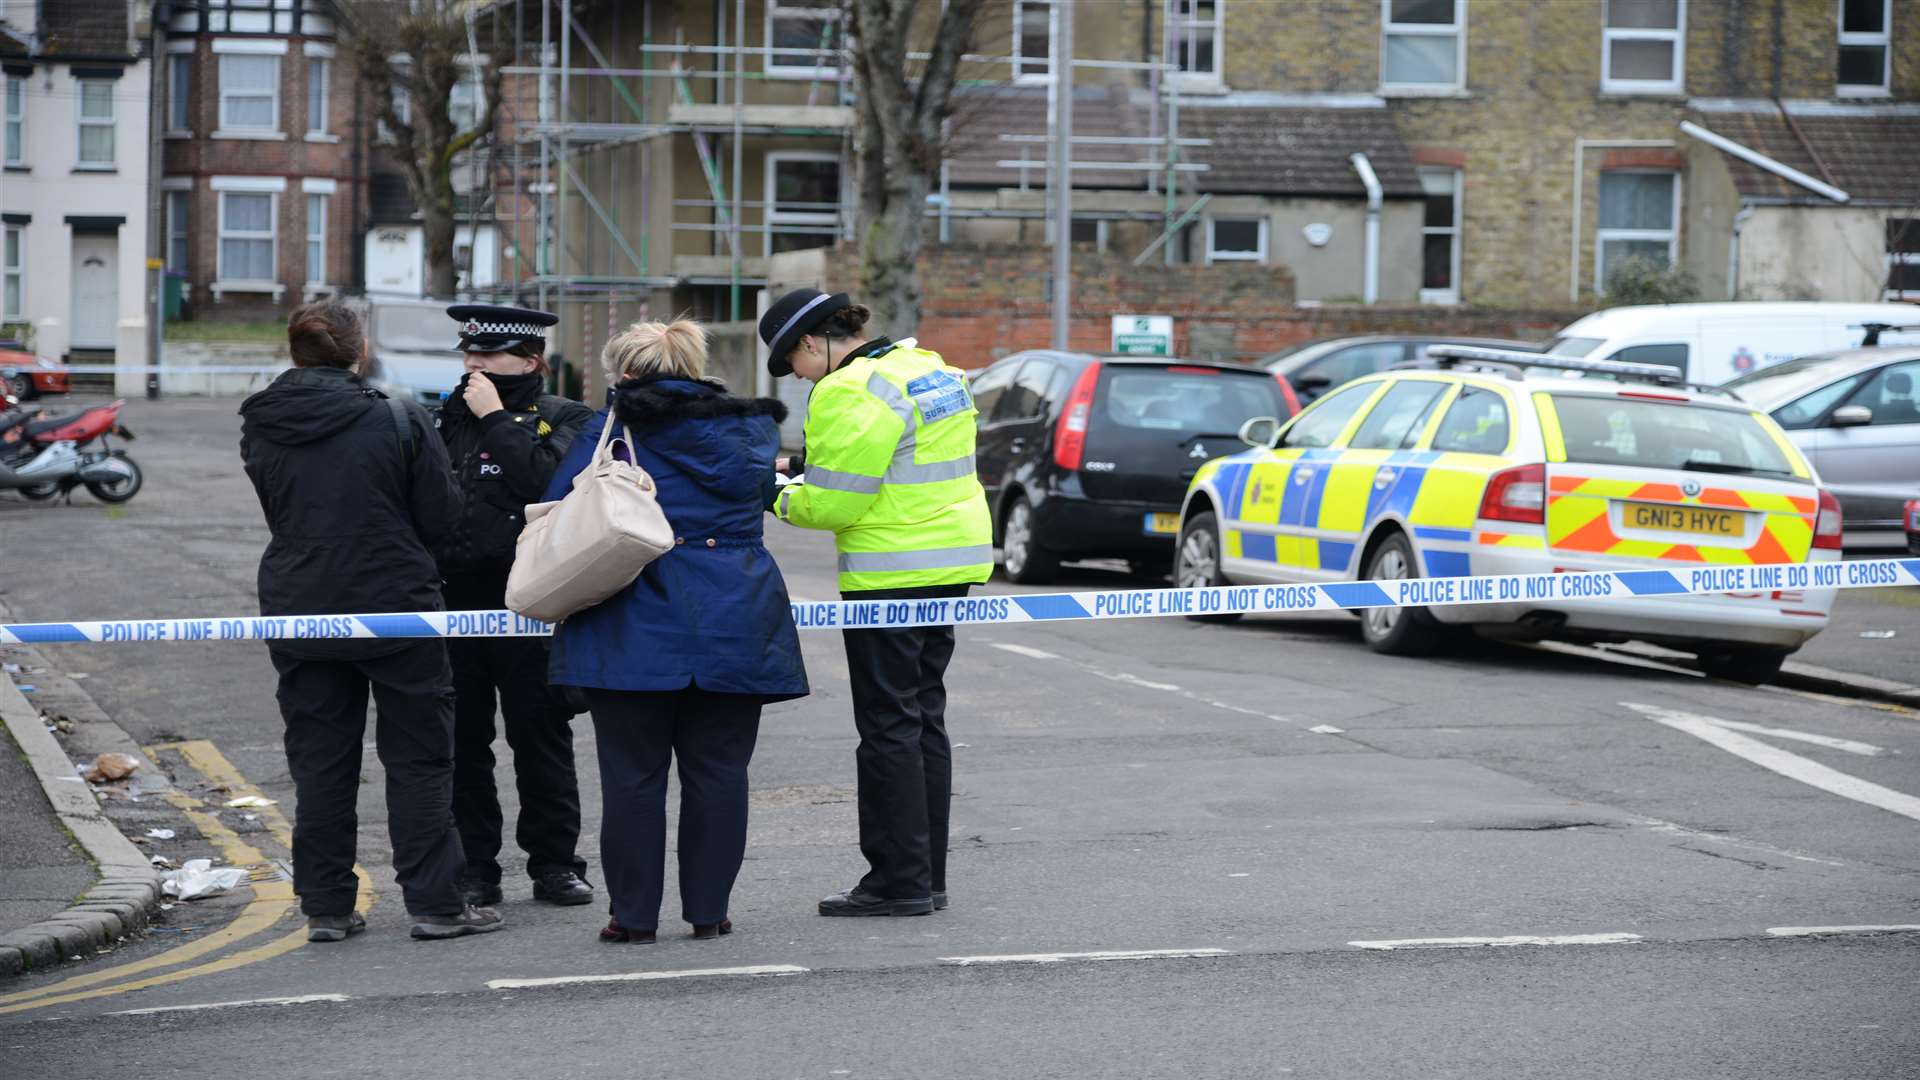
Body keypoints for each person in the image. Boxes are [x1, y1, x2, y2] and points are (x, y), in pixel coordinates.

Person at [239, 301, 501, 942]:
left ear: (295, 353)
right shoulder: (398, 415)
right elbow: (442, 517)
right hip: (397, 605)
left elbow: (279, 508)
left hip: (300, 604)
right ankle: (436, 905)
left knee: (320, 761)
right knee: (419, 759)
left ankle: (326, 906)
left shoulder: (262, 422)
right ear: (360, 352)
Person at [543, 319, 807, 944]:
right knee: (720, 772)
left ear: (627, 376)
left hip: (633, 618)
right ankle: (709, 911)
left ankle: (632, 917)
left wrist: (616, 409)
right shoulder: (751, 428)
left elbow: (562, 501)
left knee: (632, 778)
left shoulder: (616, 430)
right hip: (736, 611)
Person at [758, 289, 992, 917]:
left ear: (812, 342)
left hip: (891, 571)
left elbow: (833, 503)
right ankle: (926, 875)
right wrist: (804, 465)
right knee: (923, 718)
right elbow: (899, 456)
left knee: (887, 725)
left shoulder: (846, 389)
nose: (799, 378)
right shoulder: (927, 366)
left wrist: (772, 492)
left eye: (793, 364)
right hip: (952, 558)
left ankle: (896, 881)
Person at [435, 303, 597, 909]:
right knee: (462, 743)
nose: (474, 365)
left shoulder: (567, 418)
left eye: (490, 355)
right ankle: (477, 865)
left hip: (533, 601)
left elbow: (548, 485)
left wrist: (497, 418)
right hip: (454, 602)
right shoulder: (445, 418)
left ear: (532, 360)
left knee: (540, 736)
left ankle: (555, 863)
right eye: (469, 354)